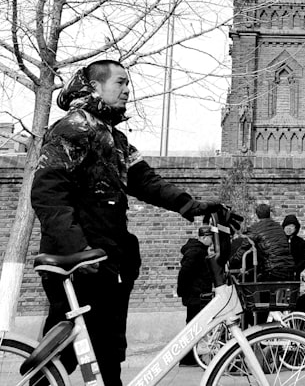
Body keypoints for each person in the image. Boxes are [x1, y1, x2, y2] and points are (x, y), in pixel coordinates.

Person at [31, 60, 227, 386]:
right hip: (81, 261)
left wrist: (193, 206)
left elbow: (147, 182)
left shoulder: (115, 140)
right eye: (120, 82)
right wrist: (77, 248)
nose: (126, 90)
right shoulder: (73, 128)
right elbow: (47, 193)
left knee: (106, 354)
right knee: (65, 354)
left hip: (107, 262)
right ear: (95, 87)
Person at [176, 226, 215, 367]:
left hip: (196, 294)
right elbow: (184, 273)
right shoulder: (196, 252)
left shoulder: (199, 250)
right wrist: (183, 291)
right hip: (195, 295)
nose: (212, 241)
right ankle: (187, 359)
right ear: (204, 237)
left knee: (193, 326)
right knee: (193, 327)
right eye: (211, 238)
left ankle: (189, 358)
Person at [245, 203, 295, 281]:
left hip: (272, 270)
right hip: (289, 268)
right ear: (269, 214)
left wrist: (232, 261)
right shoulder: (279, 227)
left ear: (257, 215)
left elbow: (244, 247)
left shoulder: (255, 228)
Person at [282, 214, 305, 278]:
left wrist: (296, 269)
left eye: (291, 226)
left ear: (296, 228)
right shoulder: (279, 241)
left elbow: (304, 259)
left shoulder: (300, 242)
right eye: (287, 225)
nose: (289, 228)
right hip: (280, 275)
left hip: (294, 275)